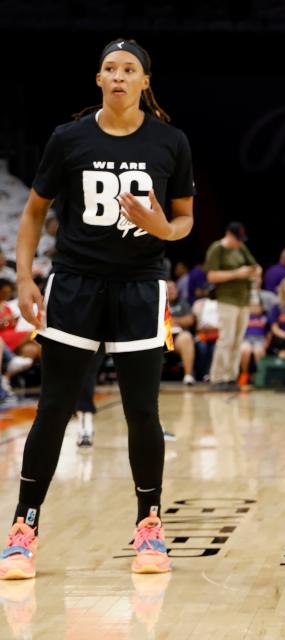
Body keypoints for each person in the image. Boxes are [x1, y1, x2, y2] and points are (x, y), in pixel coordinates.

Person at [0, 38, 195, 579]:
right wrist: (24, 277)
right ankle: (23, 529)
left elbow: (183, 221)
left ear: (144, 81)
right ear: (98, 79)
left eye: (128, 69)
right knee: (55, 408)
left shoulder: (170, 142)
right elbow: (34, 213)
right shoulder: (68, 139)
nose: (117, 76)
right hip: (75, 284)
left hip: (140, 285)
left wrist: (160, 228)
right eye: (109, 68)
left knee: (142, 412)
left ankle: (149, 527)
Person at [204, 222, 260, 392]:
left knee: (237, 341)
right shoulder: (217, 249)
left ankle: (230, 377)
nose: (239, 242)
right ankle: (217, 377)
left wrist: (255, 271)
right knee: (226, 339)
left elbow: (255, 266)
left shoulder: (241, 247)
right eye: (237, 239)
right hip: (227, 299)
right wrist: (236, 273)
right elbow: (211, 276)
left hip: (244, 299)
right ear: (228, 234)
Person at [166, 279, 196, 385]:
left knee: (187, 337)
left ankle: (188, 375)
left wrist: (173, 321)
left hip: (178, 337)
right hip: (163, 337)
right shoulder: (158, 303)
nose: (172, 291)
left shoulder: (183, 303)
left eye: (174, 288)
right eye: (169, 288)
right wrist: (170, 323)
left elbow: (190, 320)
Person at [239, 296, 268, 387]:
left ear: (261, 307)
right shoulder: (244, 317)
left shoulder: (265, 318)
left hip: (259, 339)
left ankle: (261, 375)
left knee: (258, 351)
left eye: (257, 306)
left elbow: (269, 333)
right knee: (245, 350)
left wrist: (267, 343)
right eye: (252, 306)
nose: (254, 308)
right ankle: (244, 374)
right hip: (246, 339)